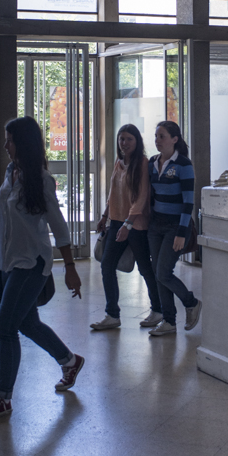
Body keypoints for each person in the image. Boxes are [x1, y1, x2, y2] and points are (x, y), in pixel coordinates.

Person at [0, 116, 84, 421]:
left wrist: (70, 267)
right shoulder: (11, 172)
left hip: (31, 264)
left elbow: (59, 226)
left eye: (9, 139)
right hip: (7, 263)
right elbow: (5, 222)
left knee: (5, 326)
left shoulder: (40, 179)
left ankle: (2, 397)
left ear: (22, 142)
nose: (5, 145)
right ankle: (69, 360)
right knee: (27, 323)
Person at [91, 123, 161, 331]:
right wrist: (105, 215)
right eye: (122, 139)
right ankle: (112, 314)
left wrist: (129, 223)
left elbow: (141, 196)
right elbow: (113, 193)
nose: (124, 143)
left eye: (129, 139)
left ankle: (158, 310)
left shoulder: (142, 163)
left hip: (136, 224)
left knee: (144, 267)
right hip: (117, 222)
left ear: (137, 141)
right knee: (106, 265)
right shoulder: (119, 163)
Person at [146, 120, 201, 337]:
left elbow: (189, 201)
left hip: (175, 226)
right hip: (155, 225)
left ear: (174, 139)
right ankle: (169, 321)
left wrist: (181, 231)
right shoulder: (152, 163)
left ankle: (191, 302)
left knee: (163, 272)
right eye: (156, 136)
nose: (157, 140)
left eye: (162, 136)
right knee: (159, 274)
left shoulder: (184, 165)